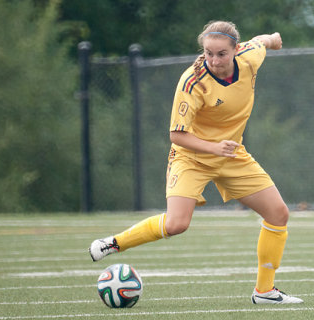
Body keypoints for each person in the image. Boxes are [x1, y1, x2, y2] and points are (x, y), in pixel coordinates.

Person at [89, 20, 303, 305]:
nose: (213, 60)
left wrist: (274, 39)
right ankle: (113, 243)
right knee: (177, 223)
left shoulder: (250, 56)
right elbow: (176, 135)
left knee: (278, 215)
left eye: (221, 54)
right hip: (192, 156)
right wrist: (214, 147)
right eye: (208, 53)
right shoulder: (192, 81)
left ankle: (264, 292)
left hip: (231, 154)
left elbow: (261, 41)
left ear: (236, 50)